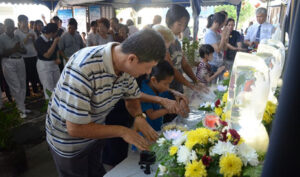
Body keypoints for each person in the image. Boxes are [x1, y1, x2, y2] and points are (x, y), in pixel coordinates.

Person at [46, 29, 168, 177]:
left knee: (96, 170)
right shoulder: (83, 68)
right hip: (69, 143)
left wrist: (139, 117)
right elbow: (75, 128)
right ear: (132, 59)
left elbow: (132, 97)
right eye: (148, 67)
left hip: (95, 134)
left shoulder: (126, 67)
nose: (149, 72)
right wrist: (122, 131)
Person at [166, 4, 206, 93]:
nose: (182, 28)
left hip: (178, 87)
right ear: (170, 22)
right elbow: (171, 69)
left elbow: (184, 64)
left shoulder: (177, 42)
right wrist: (190, 85)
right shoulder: (164, 42)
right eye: (179, 24)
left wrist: (196, 81)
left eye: (184, 25)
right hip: (166, 90)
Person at [0, 19, 28, 118]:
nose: (11, 29)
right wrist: (14, 49)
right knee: (15, 86)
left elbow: (24, 50)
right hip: (8, 62)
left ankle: (22, 106)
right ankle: (21, 110)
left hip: (20, 60)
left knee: (22, 84)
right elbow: (1, 53)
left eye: (12, 26)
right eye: (8, 27)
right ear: (4, 27)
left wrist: (20, 49)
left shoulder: (17, 37)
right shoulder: (1, 38)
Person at [140, 61, 176, 131]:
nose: (167, 87)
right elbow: (152, 115)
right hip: (147, 132)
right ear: (153, 80)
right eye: (165, 84)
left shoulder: (159, 88)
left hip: (158, 128)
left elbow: (171, 98)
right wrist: (169, 109)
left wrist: (178, 99)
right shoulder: (145, 92)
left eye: (169, 84)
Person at [15, 15, 40, 97]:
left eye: (27, 21)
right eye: (24, 21)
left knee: (34, 73)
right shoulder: (17, 32)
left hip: (33, 54)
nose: (26, 23)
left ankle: (35, 90)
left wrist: (32, 38)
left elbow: (36, 43)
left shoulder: (32, 31)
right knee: (25, 75)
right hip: (24, 56)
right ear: (19, 22)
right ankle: (27, 93)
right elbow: (19, 45)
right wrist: (27, 37)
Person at [35, 23, 61, 100]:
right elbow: (47, 55)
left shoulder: (52, 38)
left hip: (54, 64)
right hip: (44, 65)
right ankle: (50, 108)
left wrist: (57, 58)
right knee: (48, 88)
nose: (56, 34)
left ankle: (58, 106)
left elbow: (56, 50)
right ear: (52, 32)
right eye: (56, 32)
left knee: (58, 85)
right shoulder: (39, 40)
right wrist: (55, 42)